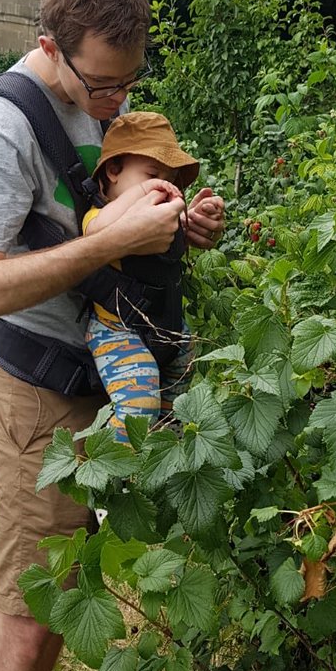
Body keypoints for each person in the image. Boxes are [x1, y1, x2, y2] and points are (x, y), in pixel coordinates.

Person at [0, 0, 225, 671]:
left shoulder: (105, 100)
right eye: (101, 83)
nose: (116, 101)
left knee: (63, 594)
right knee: (30, 609)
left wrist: (176, 229)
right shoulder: (4, 122)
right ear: (50, 44)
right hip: (36, 385)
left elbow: (105, 219)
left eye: (128, 82)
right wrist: (111, 244)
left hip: (104, 370)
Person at [82, 111, 221, 442]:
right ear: (114, 170)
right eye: (153, 174)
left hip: (167, 325)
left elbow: (170, 249)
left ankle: (164, 444)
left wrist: (192, 218)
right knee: (139, 401)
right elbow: (97, 236)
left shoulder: (157, 213)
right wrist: (145, 191)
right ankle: (116, 465)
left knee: (180, 387)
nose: (165, 188)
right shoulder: (99, 215)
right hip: (118, 329)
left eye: (171, 180)